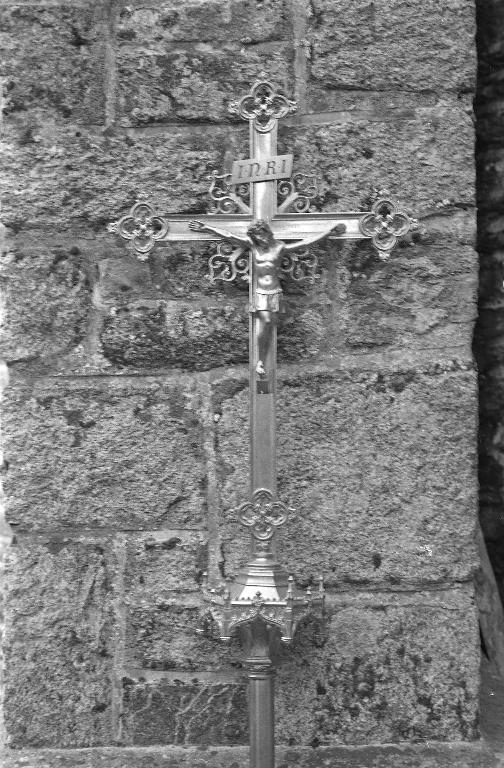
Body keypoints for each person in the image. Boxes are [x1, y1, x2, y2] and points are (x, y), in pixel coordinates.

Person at [189, 218, 345, 374]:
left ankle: (261, 360)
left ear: (267, 232)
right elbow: (229, 236)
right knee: (266, 320)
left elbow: (305, 243)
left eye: (262, 234)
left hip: (274, 291)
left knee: (269, 324)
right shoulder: (252, 247)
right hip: (260, 292)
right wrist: (207, 227)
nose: (260, 239)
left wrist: (329, 232)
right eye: (256, 236)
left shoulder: (279, 248)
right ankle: (260, 361)